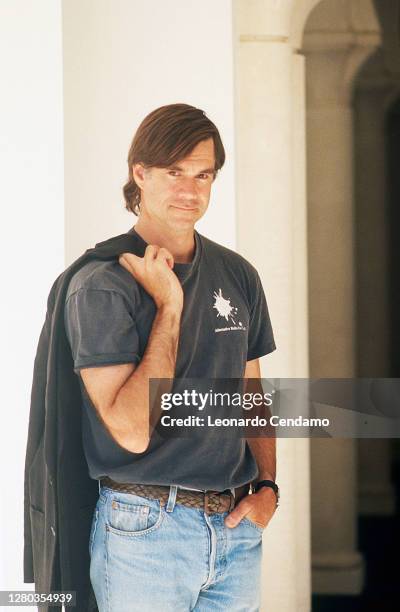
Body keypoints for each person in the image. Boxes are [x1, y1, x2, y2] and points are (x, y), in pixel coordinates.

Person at [63, 103, 278, 611]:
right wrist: (170, 306)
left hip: (234, 530)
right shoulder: (100, 286)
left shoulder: (238, 274)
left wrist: (267, 486)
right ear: (140, 173)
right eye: (173, 172)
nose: (190, 190)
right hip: (145, 529)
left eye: (203, 174)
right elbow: (133, 430)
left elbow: (252, 394)